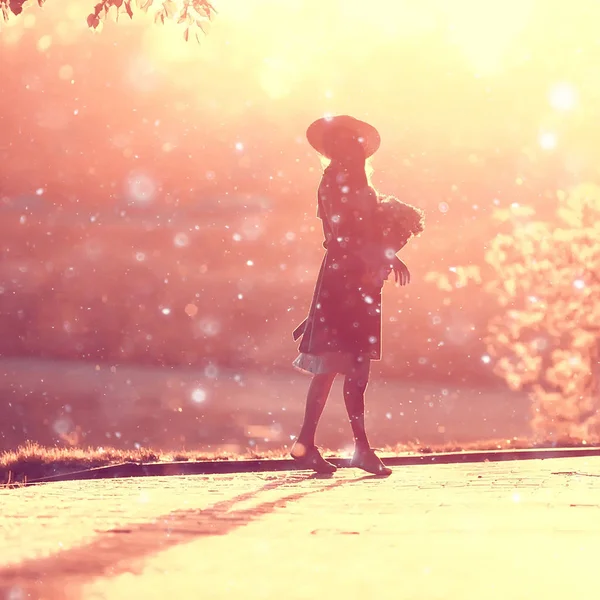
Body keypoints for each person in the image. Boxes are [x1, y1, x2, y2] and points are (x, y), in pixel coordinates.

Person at [291, 115, 411, 477]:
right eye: (341, 144)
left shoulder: (356, 182)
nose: (349, 150)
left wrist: (389, 250)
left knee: (346, 367)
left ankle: (308, 445)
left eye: (353, 144)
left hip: (359, 280)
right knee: (341, 366)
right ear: (333, 150)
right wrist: (382, 255)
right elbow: (344, 235)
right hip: (345, 278)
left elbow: (362, 230)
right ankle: (355, 448)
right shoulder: (333, 182)